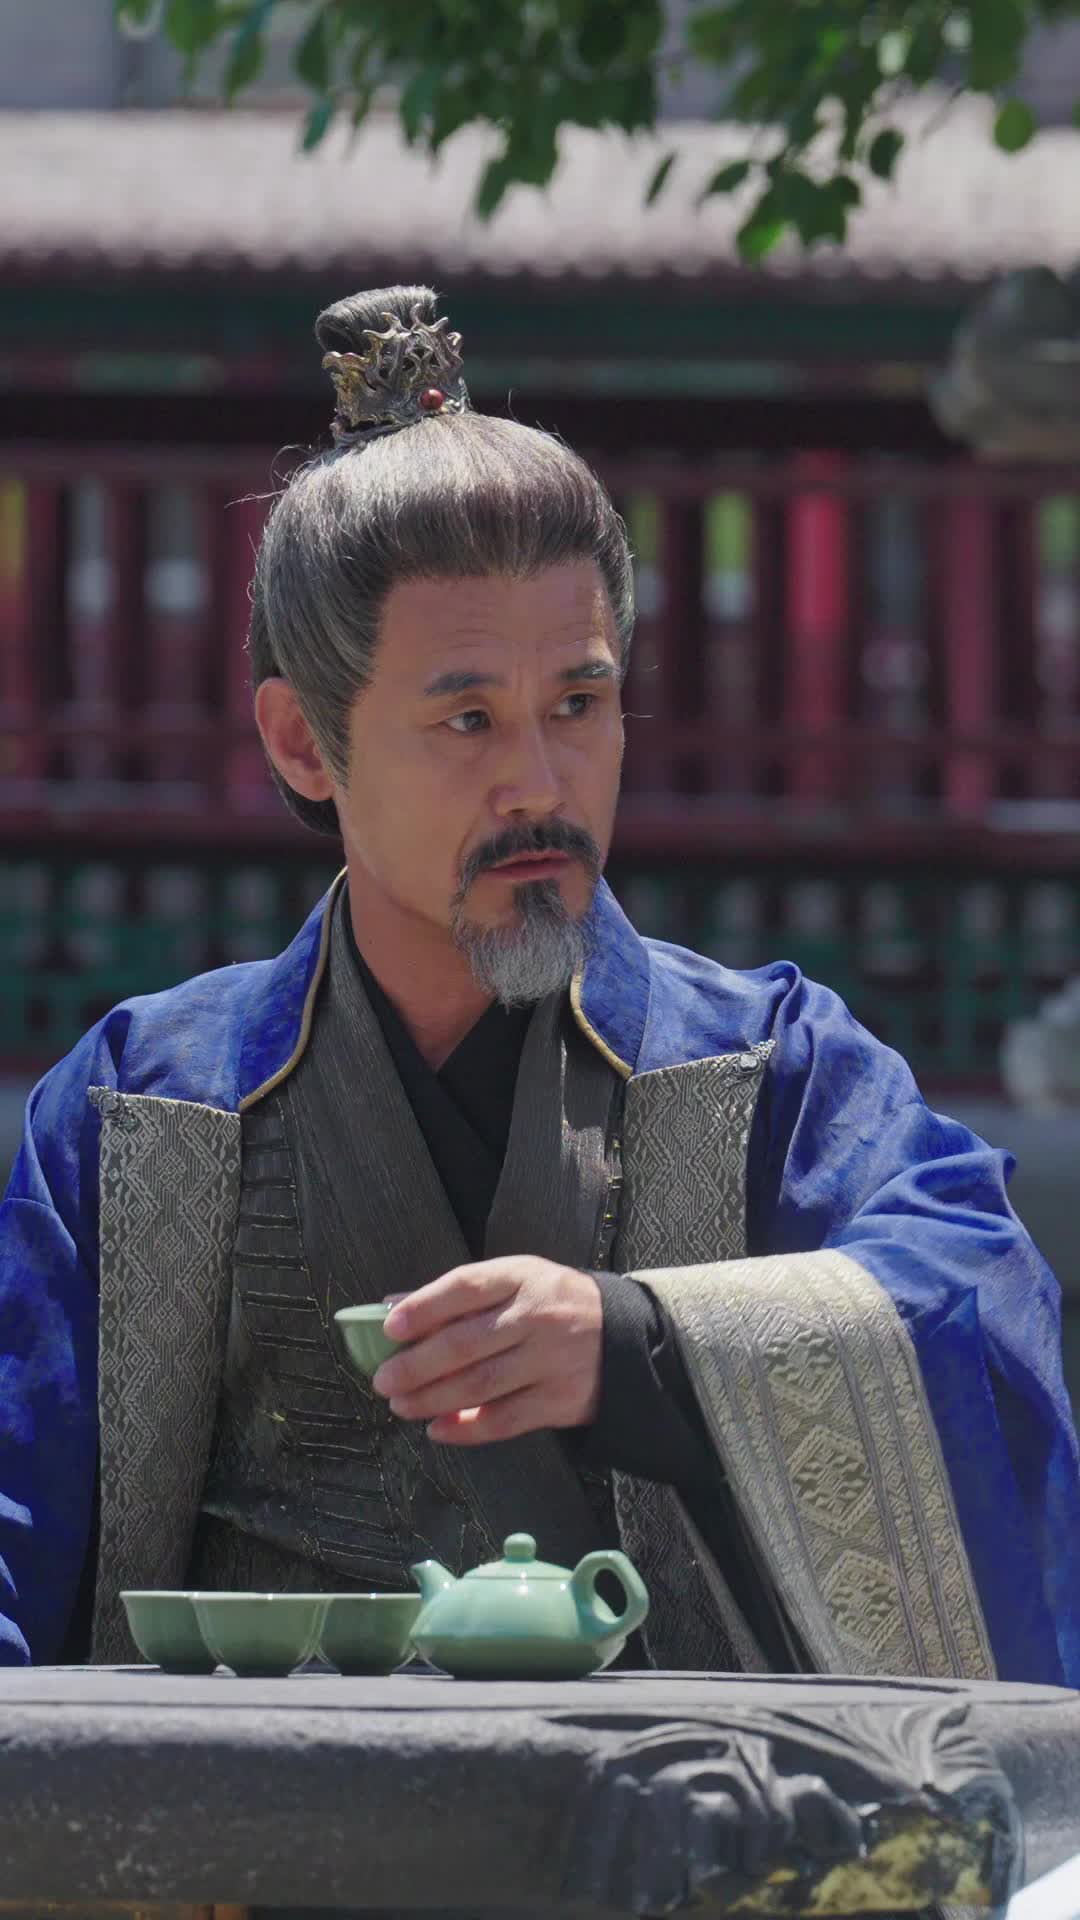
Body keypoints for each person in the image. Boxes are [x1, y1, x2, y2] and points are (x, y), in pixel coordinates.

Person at [2, 285, 1078, 1685]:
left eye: (579, 705)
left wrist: (643, 1349)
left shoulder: (774, 1071)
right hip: (251, 1816)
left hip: (681, 1814)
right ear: (304, 742)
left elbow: (976, 1302)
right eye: (468, 719)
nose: (539, 782)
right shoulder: (144, 1108)